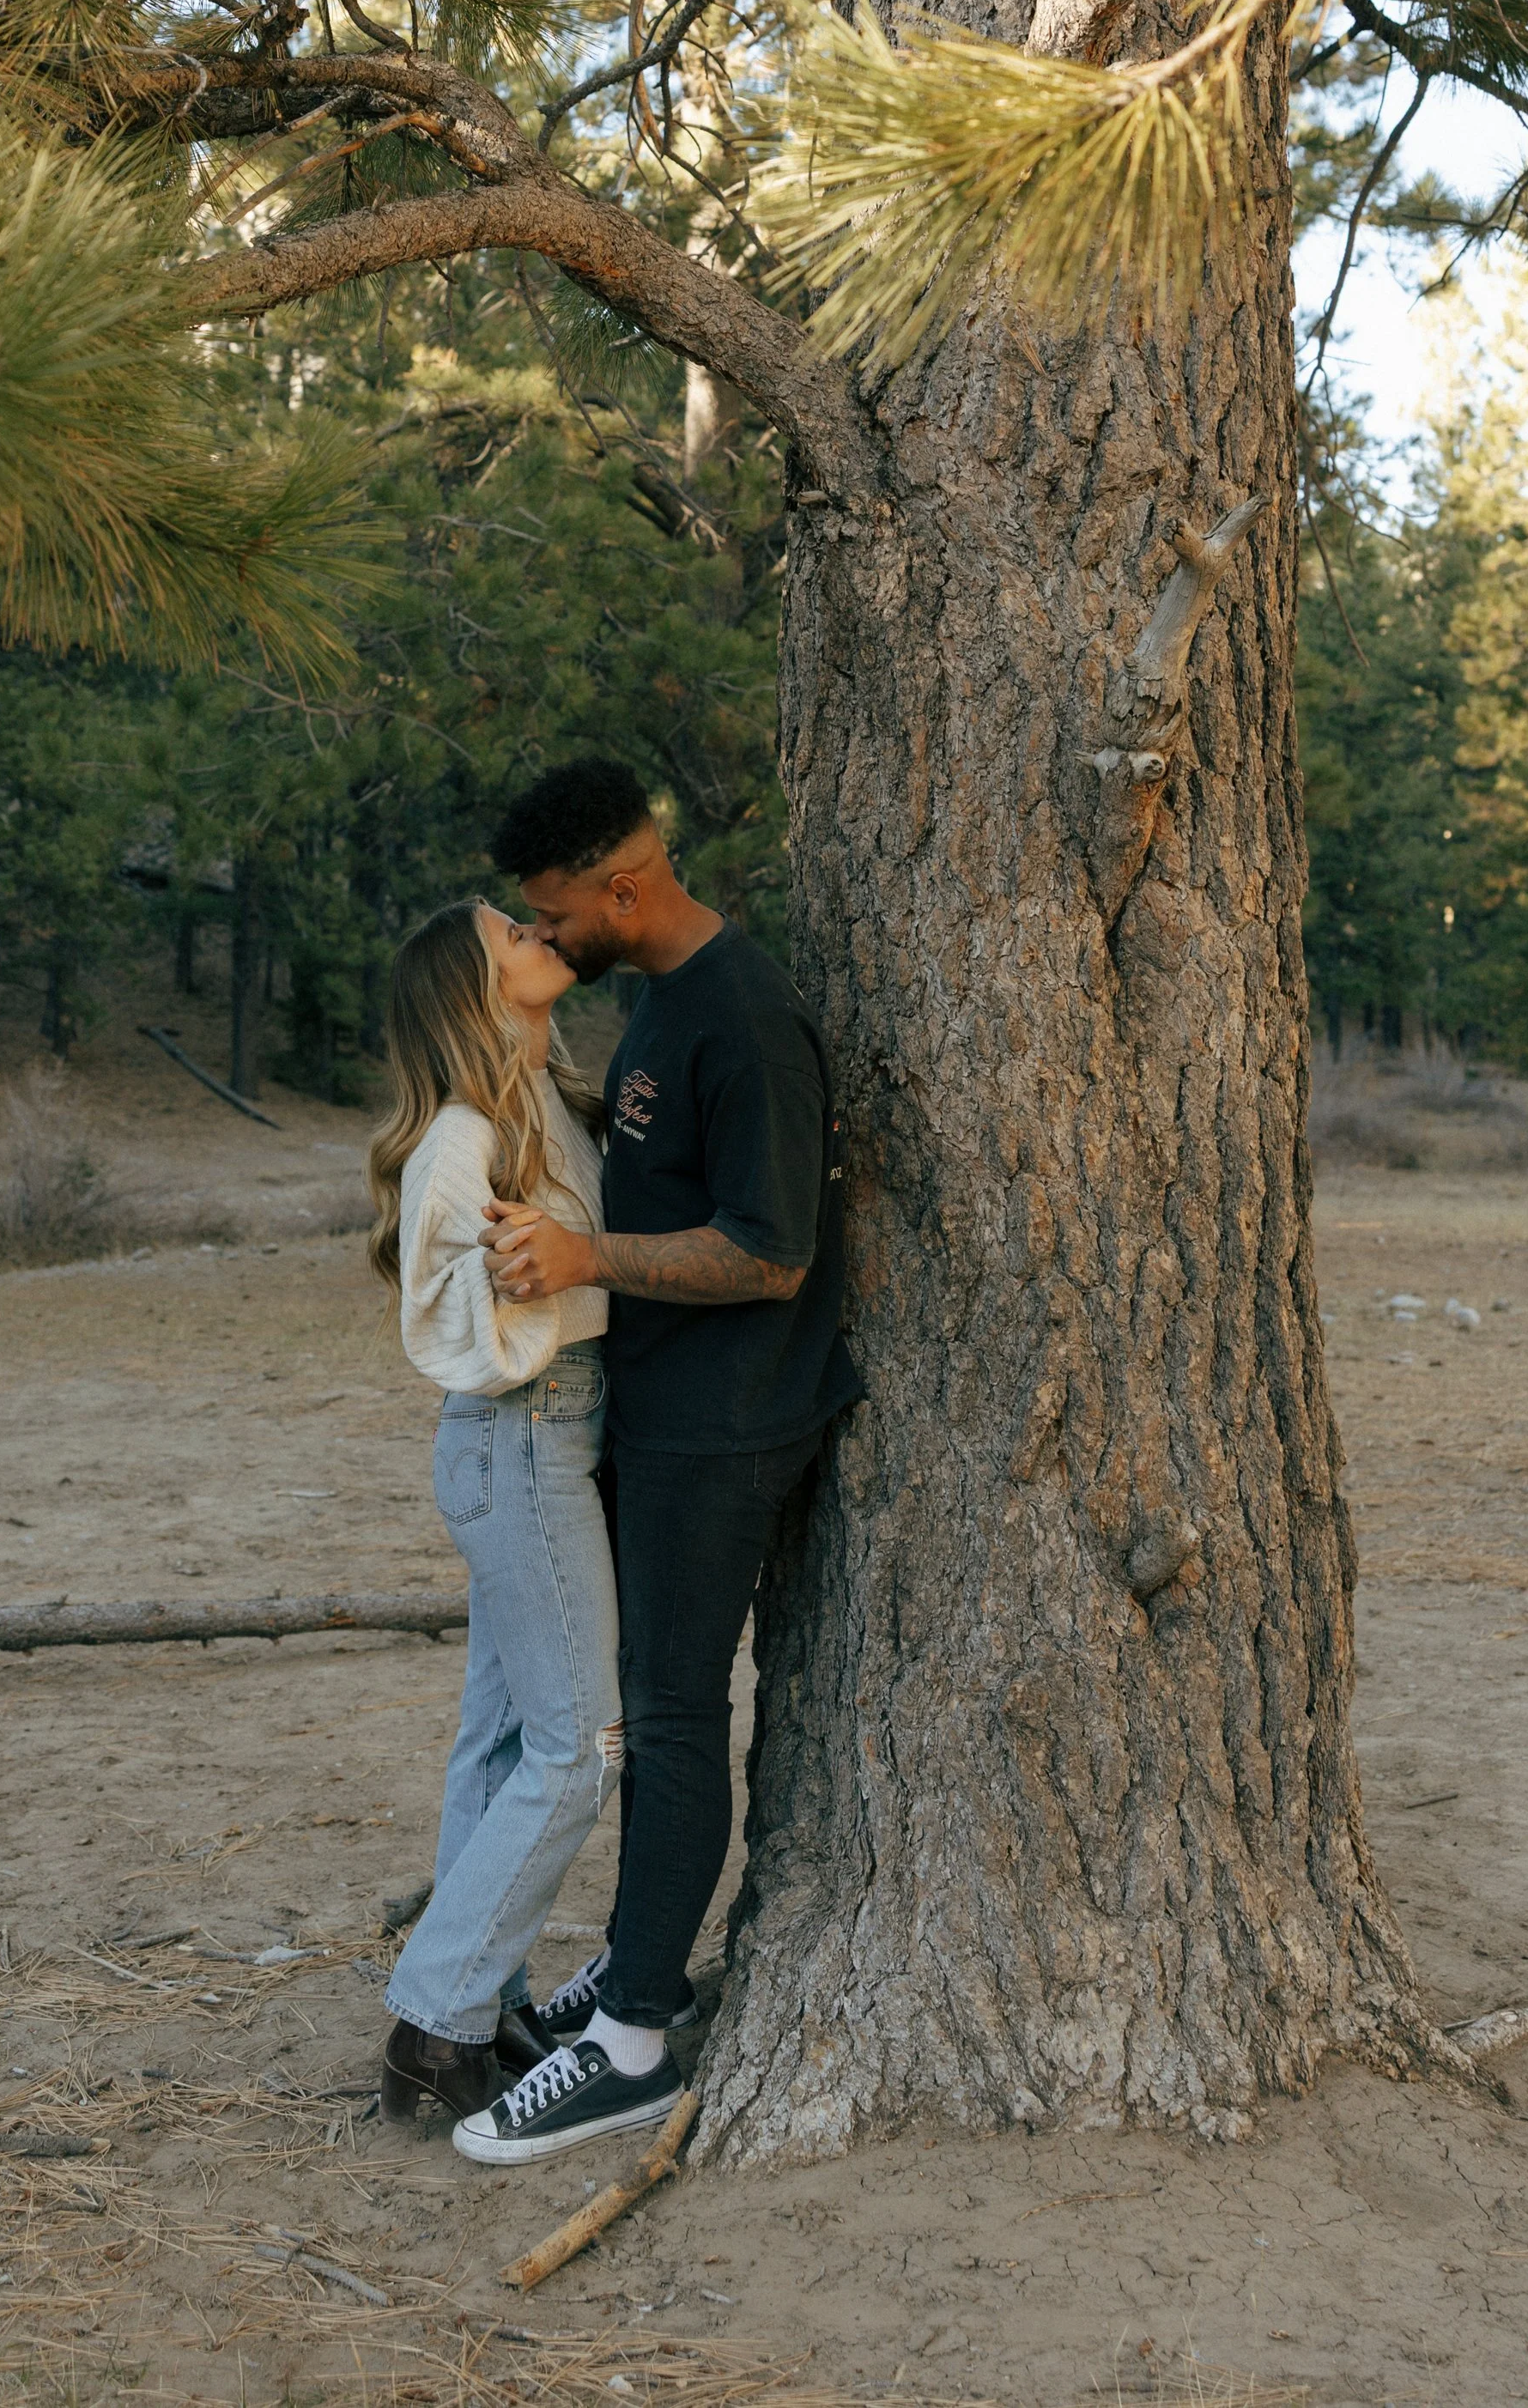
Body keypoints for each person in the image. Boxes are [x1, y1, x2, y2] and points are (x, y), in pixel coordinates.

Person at [451, 757, 856, 2168]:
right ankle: (641, 1966)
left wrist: (585, 1256)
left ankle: (630, 2045)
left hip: (728, 1424)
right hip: (659, 1409)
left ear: (624, 886)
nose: (547, 935)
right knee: (637, 1706)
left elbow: (772, 1246)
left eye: (557, 913)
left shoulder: (744, 1020)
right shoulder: (654, 1003)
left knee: (673, 1714)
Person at [366, 896, 625, 2130]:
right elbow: (449, 1309)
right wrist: (517, 1280)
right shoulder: (462, 1138)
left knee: (509, 1740)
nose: (539, 931)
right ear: (480, 988)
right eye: (512, 933)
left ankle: (488, 1999)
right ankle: (438, 2017)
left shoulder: (547, 1108)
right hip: (522, 1435)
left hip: (539, 1440)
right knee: (581, 1745)